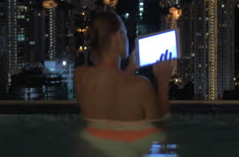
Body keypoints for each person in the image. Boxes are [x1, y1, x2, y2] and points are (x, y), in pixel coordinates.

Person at [74, 12, 176, 157]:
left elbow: (112, 91)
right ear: (117, 37)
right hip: (137, 147)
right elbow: (161, 125)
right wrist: (162, 80)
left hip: (93, 141)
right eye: (126, 34)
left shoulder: (80, 76)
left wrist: (130, 68)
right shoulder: (141, 86)